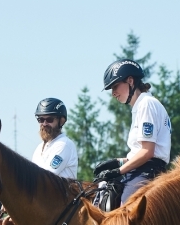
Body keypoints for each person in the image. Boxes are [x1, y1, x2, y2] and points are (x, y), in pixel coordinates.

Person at [95, 60, 172, 204]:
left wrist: (118, 171)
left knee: (125, 211)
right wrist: (117, 162)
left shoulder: (146, 104)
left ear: (130, 81)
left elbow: (147, 152)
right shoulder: (140, 106)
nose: (113, 93)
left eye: (115, 86)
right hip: (140, 167)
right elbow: (140, 152)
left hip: (147, 171)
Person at [31, 98, 78, 179]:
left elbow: (45, 178)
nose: (44, 124)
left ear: (61, 121)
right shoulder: (39, 148)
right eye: (41, 119)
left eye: (49, 119)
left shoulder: (63, 145)